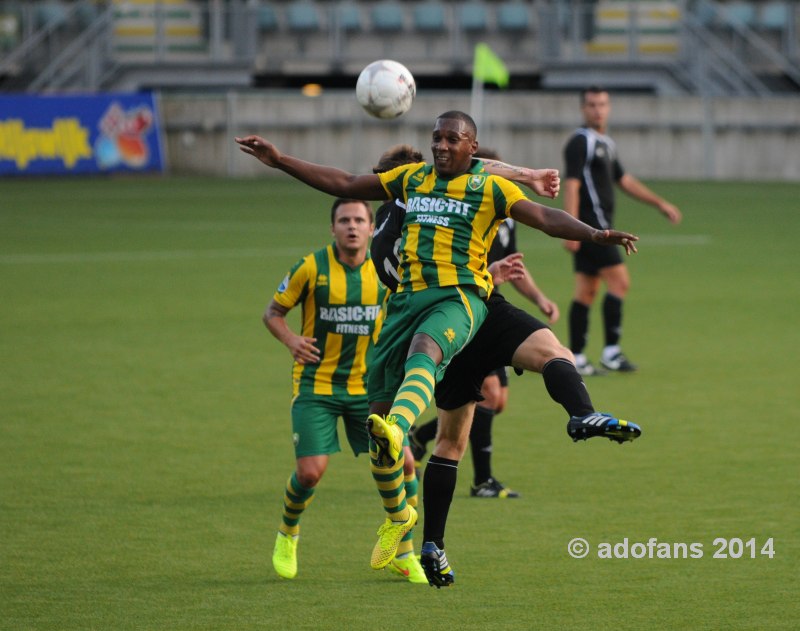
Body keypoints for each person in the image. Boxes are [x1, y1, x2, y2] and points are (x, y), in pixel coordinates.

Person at [236, 110, 639, 585]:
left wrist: (594, 233)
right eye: (436, 138)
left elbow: (545, 217)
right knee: (417, 445)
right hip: (404, 307)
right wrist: (280, 160)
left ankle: (580, 414)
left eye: (453, 139)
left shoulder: (489, 187)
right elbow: (344, 180)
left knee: (511, 352)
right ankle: (414, 530)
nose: (441, 145)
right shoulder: (411, 181)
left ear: (473, 147)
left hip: (462, 300)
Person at [368, 143, 642, 587]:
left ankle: (581, 414)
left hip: (472, 309)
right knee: (453, 436)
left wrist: (529, 175)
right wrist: (531, 178)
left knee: (461, 432)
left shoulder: (415, 206)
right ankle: (424, 532)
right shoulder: (414, 204)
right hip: (458, 313)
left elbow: (484, 169)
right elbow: (484, 178)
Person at [266, 198, 426, 584]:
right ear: (332, 228)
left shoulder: (387, 270)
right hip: (316, 386)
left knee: (405, 464)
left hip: (369, 390)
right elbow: (273, 313)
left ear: (373, 228)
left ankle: (403, 552)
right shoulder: (310, 267)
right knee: (310, 473)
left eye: (359, 220)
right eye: (344, 220)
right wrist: (290, 340)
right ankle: (288, 533)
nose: (351, 226)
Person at [408, 147, 561, 500]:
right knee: (488, 395)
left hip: (493, 305)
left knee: (496, 401)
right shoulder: (464, 210)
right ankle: (483, 480)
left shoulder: (507, 215)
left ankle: (422, 436)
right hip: (466, 311)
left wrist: (539, 299)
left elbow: (513, 266)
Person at [563, 86, 682, 376]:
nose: (598, 110)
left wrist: (659, 203)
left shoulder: (606, 143)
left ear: (609, 107)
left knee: (587, 291)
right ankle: (611, 353)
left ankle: (577, 357)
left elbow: (624, 180)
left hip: (592, 230)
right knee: (620, 282)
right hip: (594, 229)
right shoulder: (580, 142)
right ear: (583, 109)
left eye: (602, 104)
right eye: (592, 104)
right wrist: (570, 228)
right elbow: (572, 184)